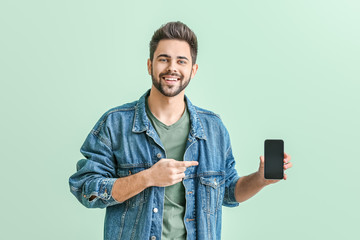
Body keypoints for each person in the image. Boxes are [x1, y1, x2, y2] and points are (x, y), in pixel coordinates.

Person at [69, 21, 292, 240]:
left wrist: (260, 179)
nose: (172, 68)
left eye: (181, 61)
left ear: (193, 70)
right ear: (149, 65)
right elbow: (86, 189)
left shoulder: (213, 128)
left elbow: (228, 191)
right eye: (163, 59)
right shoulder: (115, 124)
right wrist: (147, 178)